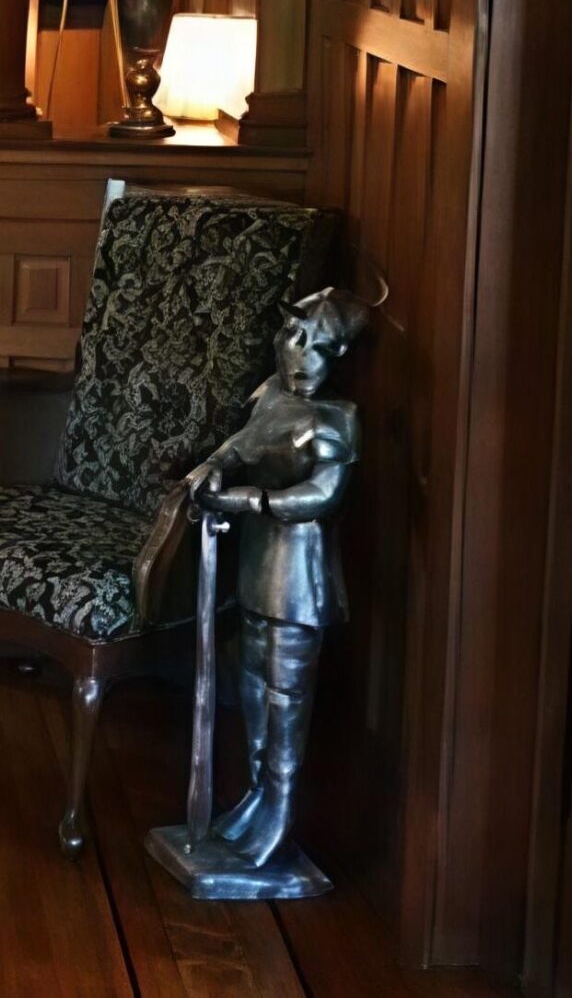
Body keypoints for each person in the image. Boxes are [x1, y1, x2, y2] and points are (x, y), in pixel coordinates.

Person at [182, 286, 369, 872]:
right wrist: (212, 467)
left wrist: (251, 500)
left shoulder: (337, 417)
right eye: (297, 340)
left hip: (298, 576)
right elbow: (239, 447)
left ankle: (281, 808)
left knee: (285, 694)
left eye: (320, 349)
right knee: (251, 681)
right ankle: (257, 797)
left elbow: (324, 493)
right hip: (257, 565)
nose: (304, 358)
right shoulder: (270, 396)